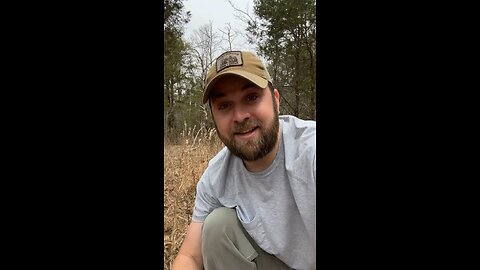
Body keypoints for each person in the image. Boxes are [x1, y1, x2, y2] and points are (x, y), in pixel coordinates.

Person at [172, 50, 316, 270]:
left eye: (251, 97)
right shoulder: (216, 177)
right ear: (214, 118)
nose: (239, 116)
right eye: (224, 106)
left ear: (276, 101)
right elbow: (189, 258)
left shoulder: (310, 150)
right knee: (217, 227)